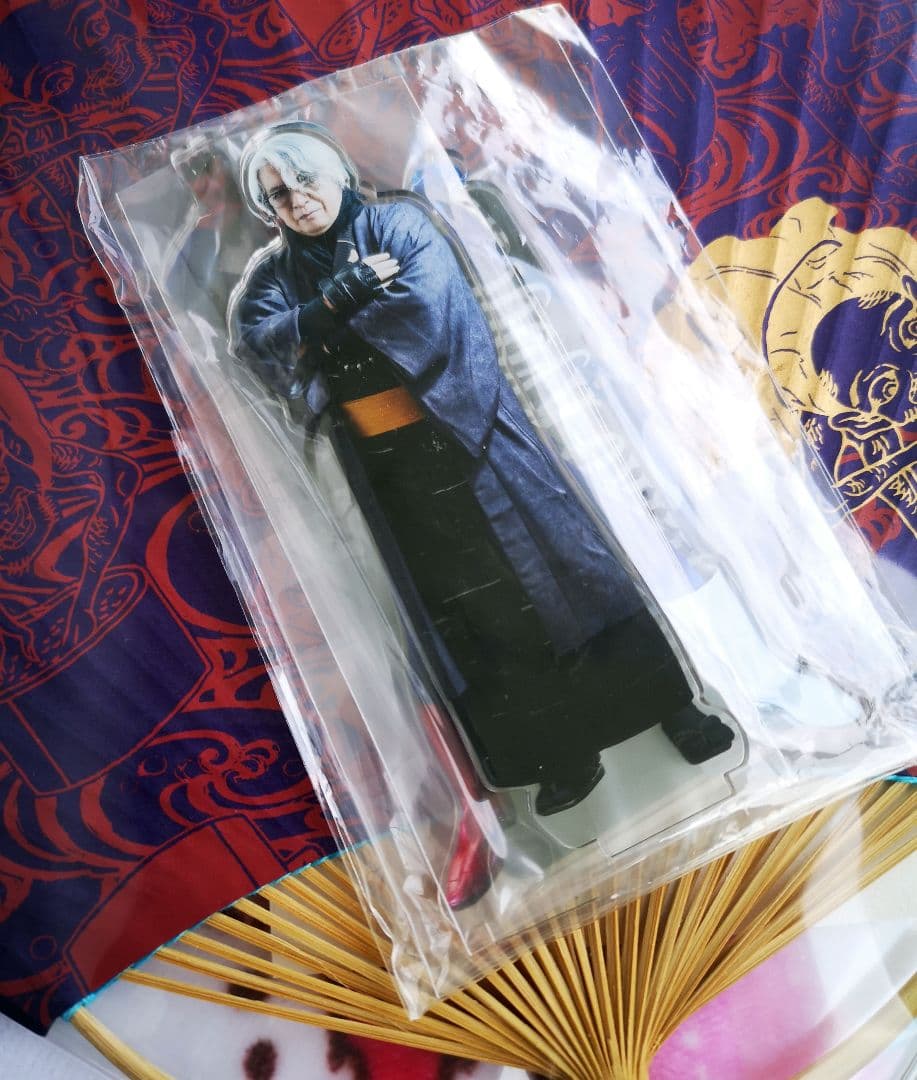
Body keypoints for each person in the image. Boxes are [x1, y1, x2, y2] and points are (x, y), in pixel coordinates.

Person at [228, 121, 734, 832]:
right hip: (389, 471)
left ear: (337, 170)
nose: (298, 200)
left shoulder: (397, 224)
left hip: (473, 431)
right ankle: (559, 755)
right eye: (279, 193)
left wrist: (316, 329)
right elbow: (259, 345)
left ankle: (672, 709)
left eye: (306, 179)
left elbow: (427, 308)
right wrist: (334, 302)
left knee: (574, 569)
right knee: (475, 615)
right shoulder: (270, 278)